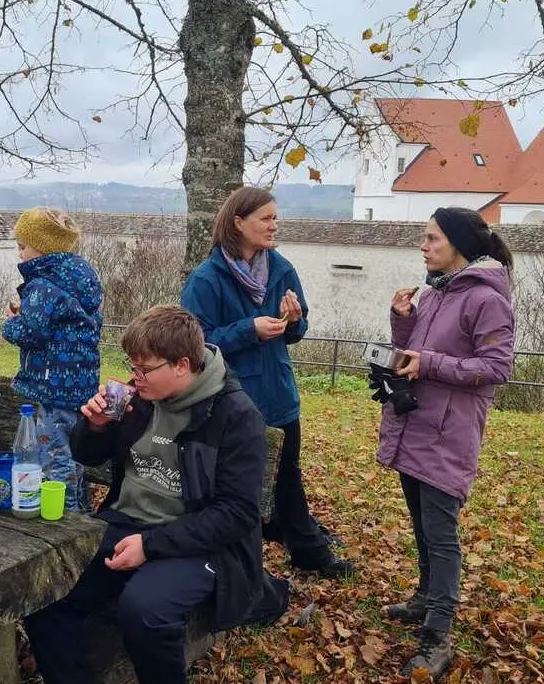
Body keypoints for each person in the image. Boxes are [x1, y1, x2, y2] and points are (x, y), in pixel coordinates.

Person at [25, 306, 282, 684]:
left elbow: (237, 514)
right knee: (43, 590)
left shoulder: (235, 415)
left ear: (181, 364)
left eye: (145, 369)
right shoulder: (138, 400)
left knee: (144, 609)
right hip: (125, 523)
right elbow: (87, 455)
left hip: (199, 543)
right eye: (132, 366)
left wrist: (151, 544)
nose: (135, 377)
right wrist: (95, 427)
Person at [180, 186, 352, 579]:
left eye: (276, 218)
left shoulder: (282, 269)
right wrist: (249, 329)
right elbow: (191, 344)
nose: (275, 225)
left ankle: (302, 544)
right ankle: (265, 552)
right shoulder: (207, 279)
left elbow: (298, 330)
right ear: (238, 222)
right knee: (236, 483)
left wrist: (294, 321)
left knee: (288, 473)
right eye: (266, 218)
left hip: (277, 392)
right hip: (231, 399)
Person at [375, 206, 515, 679]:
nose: (424, 245)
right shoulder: (437, 293)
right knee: (421, 522)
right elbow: (417, 349)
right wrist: (402, 319)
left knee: (441, 533)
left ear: (457, 244)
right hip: (416, 423)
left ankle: (438, 635)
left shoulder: (487, 300)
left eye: (432, 238)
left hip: (448, 433)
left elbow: (496, 368)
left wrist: (428, 362)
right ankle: (424, 598)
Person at [1, 207, 102, 513]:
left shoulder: (42, 285)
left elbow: (32, 333)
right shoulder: (81, 280)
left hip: (51, 387)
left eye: (23, 247)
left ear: (43, 249)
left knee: (55, 460)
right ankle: (81, 512)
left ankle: (68, 522)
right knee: (73, 456)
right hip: (79, 389)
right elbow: (65, 327)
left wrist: (10, 322)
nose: (20, 254)